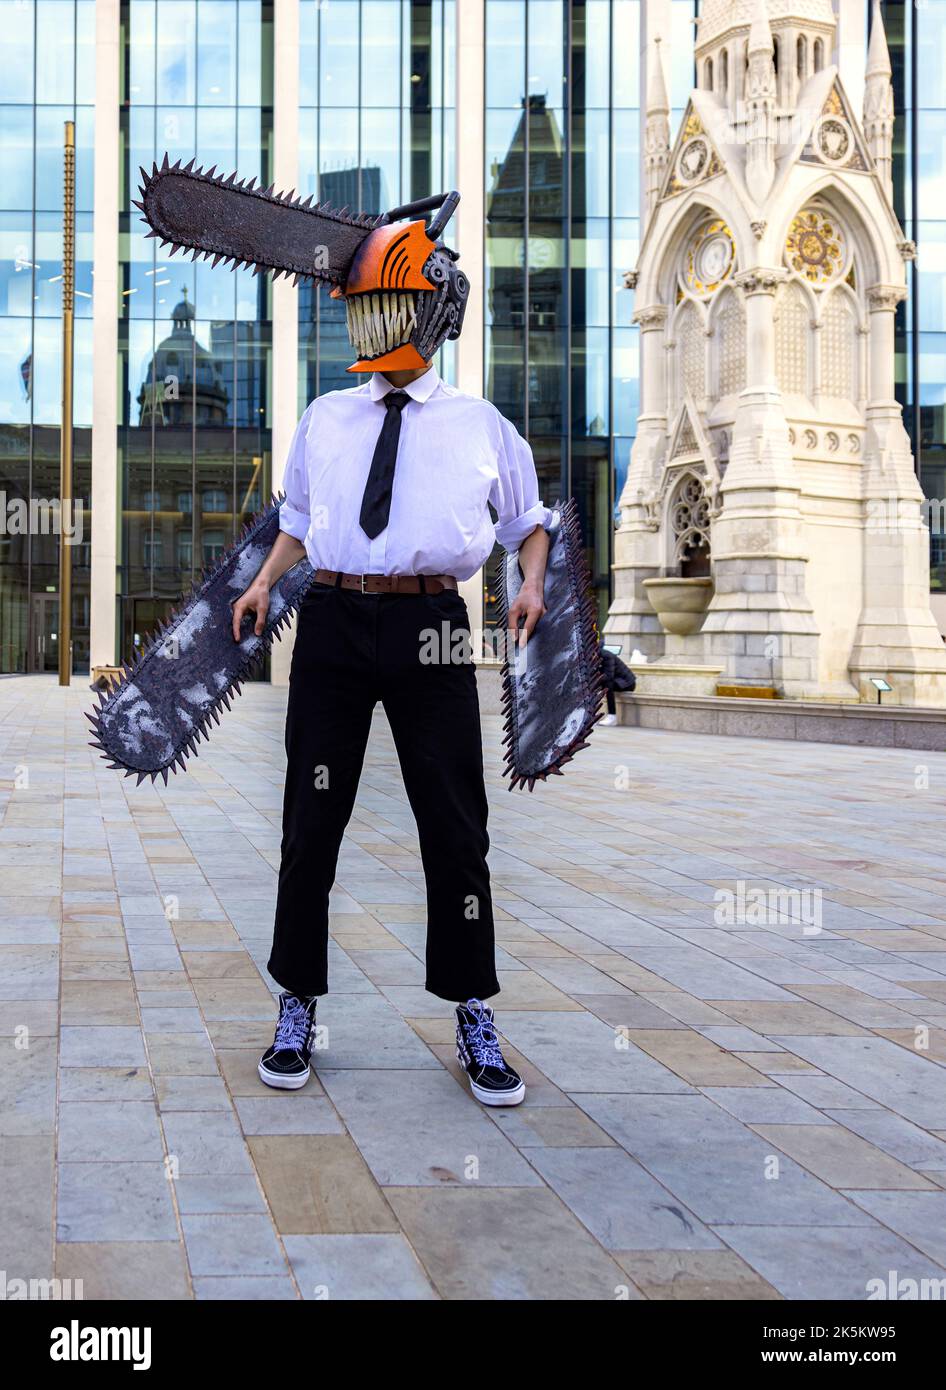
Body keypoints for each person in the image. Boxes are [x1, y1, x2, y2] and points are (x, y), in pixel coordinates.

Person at [232, 340, 550, 1110]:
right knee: (310, 822)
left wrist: (532, 584)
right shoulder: (325, 416)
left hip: (432, 620)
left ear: (430, 323)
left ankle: (474, 1009)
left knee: (454, 823)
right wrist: (266, 581)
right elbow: (299, 520)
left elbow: (528, 523)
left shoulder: (480, 423)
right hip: (333, 618)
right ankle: (296, 1004)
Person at [599, 641, 636, 725]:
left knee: (608, 685)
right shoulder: (594, 657)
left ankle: (612, 716)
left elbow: (609, 676)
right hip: (617, 682)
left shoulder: (607, 655)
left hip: (627, 683)